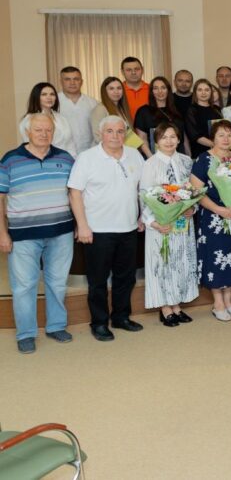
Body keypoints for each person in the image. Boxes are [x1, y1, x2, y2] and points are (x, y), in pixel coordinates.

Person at [0, 114, 76, 354]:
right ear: (27, 132)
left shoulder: (66, 158)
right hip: (23, 235)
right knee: (24, 286)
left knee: (57, 282)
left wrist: (79, 224)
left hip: (61, 232)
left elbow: (75, 194)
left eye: (48, 130)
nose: (44, 134)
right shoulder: (10, 160)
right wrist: (2, 234)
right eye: (38, 130)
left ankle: (56, 326)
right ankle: (26, 333)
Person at [68, 115, 146, 341]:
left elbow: (142, 189)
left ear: (125, 134)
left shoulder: (134, 155)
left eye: (120, 131)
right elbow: (75, 193)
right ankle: (99, 323)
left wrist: (143, 215)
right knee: (98, 281)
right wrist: (82, 225)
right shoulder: (87, 158)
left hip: (129, 228)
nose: (115, 136)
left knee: (126, 278)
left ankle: (121, 317)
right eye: (110, 131)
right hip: (97, 230)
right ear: (100, 134)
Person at [190, 120, 231, 322]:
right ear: (213, 138)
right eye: (221, 135)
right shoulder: (203, 160)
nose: (226, 139)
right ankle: (217, 303)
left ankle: (229, 301)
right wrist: (219, 210)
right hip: (214, 217)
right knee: (216, 257)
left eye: (230, 135)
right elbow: (197, 192)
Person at [138, 123, 198, 327]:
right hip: (160, 223)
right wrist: (152, 222)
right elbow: (144, 195)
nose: (169, 141)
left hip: (182, 221)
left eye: (173, 137)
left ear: (179, 139)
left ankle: (176, 305)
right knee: (162, 263)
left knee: (180, 262)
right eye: (164, 137)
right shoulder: (150, 164)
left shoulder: (186, 161)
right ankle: (165, 308)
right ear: (156, 141)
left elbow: (193, 190)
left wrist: (192, 208)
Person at [18, 82, 76, 157]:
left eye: (52, 94)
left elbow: (70, 144)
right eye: (44, 94)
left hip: (65, 159)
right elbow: (30, 146)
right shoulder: (28, 120)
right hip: (43, 160)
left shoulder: (61, 118)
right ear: (36, 97)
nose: (49, 97)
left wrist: (73, 160)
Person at [133, 76, 185, 158]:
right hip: (154, 157)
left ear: (168, 90)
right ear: (152, 92)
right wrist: (152, 159)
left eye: (163, 88)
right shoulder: (143, 111)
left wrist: (188, 156)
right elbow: (142, 139)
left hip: (178, 157)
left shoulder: (177, 110)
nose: (160, 91)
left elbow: (183, 137)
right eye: (156, 88)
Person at [57, 66, 98, 155]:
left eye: (76, 79)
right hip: (61, 153)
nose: (72, 83)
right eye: (67, 79)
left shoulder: (92, 103)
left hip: (88, 152)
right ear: (61, 82)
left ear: (81, 82)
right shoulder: (54, 102)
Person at [90, 76, 134, 146]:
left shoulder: (122, 109)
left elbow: (129, 135)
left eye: (119, 88)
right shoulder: (100, 109)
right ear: (105, 92)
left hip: (123, 149)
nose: (116, 92)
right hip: (107, 151)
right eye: (111, 88)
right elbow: (98, 137)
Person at [186, 78, 224, 157]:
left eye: (207, 90)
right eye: (200, 90)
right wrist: (216, 145)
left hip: (220, 150)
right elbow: (195, 135)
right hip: (201, 151)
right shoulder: (192, 110)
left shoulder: (217, 109)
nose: (203, 93)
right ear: (195, 92)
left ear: (211, 92)